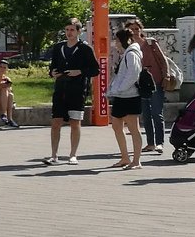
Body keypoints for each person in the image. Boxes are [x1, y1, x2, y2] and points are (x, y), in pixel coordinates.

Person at [43, 18, 100, 165]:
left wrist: (79, 71)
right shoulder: (59, 47)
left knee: (75, 122)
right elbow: (53, 67)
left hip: (77, 90)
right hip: (60, 89)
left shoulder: (85, 49)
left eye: (72, 30)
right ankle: (54, 155)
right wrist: (52, 73)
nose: (69, 33)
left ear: (79, 32)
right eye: (67, 30)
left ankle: (73, 155)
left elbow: (95, 70)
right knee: (56, 122)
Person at [105, 25, 144, 171]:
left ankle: (136, 161)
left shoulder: (131, 54)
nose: (115, 44)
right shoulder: (126, 53)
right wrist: (114, 90)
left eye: (116, 40)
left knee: (134, 128)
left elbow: (133, 74)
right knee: (116, 125)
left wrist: (120, 88)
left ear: (121, 41)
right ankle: (125, 157)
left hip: (130, 96)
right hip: (121, 96)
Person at [132, 18, 172, 151]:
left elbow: (163, 59)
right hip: (140, 83)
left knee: (156, 112)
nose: (135, 32)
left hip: (155, 81)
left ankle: (160, 142)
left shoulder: (150, 42)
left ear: (141, 29)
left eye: (137, 29)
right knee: (146, 114)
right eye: (132, 29)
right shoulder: (130, 46)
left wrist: (166, 76)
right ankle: (150, 143)